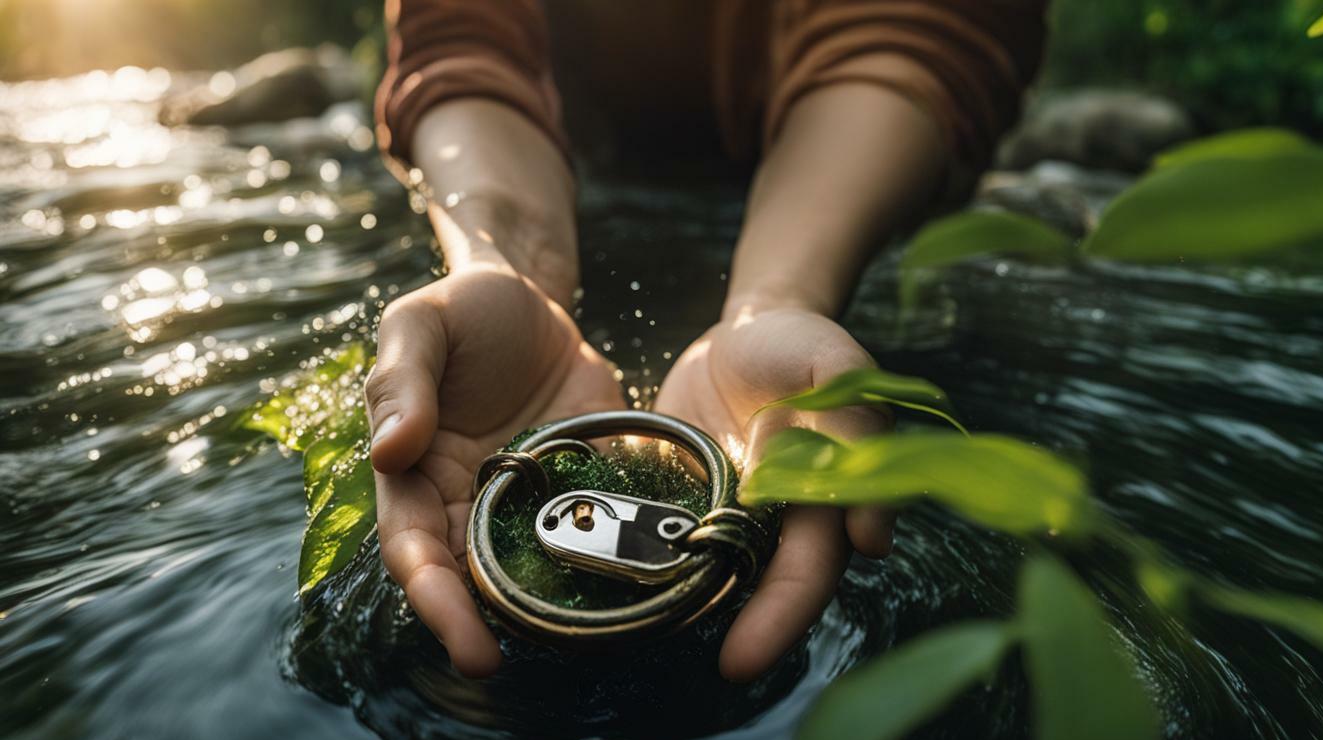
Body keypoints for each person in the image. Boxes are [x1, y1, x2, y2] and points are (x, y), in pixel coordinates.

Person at [363, 0, 1046, 681]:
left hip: (833, 160)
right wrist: (501, 263)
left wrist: (779, 296)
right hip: (570, 150)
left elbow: (917, 27)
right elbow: (462, 40)